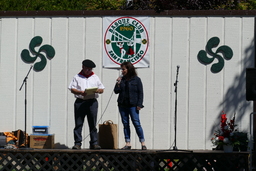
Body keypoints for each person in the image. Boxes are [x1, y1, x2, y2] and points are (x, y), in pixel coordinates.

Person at [68, 59, 104, 150]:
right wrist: (80, 92)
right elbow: (72, 89)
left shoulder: (95, 77)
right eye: (87, 69)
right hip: (80, 101)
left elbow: (102, 89)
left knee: (92, 123)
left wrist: (98, 90)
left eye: (90, 69)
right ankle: (77, 143)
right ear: (83, 67)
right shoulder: (77, 77)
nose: (89, 71)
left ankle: (94, 143)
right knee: (79, 123)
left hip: (92, 102)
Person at [114, 61, 147, 150]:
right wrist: (118, 83)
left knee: (136, 123)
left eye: (124, 69)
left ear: (129, 69)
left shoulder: (136, 79)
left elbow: (140, 93)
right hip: (122, 105)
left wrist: (139, 104)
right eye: (122, 69)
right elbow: (116, 91)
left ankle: (143, 142)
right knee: (125, 124)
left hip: (133, 105)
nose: (122, 71)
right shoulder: (122, 79)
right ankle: (128, 143)